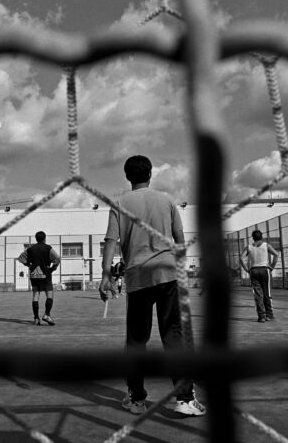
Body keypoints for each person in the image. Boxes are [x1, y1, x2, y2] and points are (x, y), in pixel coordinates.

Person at [100, 155, 206, 417]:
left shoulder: (120, 203)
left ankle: (136, 399)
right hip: (169, 274)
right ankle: (185, 399)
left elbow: (111, 241)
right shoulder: (167, 200)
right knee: (175, 336)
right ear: (151, 174)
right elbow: (179, 238)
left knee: (137, 340)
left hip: (138, 277)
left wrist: (106, 275)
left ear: (127, 176)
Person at [17, 231, 61, 326]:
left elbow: (20, 259)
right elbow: (57, 258)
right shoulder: (48, 248)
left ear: (36, 239)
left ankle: (36, 318)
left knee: (35, 295)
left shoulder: (30, 249)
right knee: (49, 294)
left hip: (34, 275)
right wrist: (53, 268)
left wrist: (29, 265)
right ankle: (47, 315)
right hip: (45, 274)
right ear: (44, 238)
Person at [240, 229, 279, 323]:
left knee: (258, 294)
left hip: (254, 270)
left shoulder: (248, 247)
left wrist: (246, 269)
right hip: (264, 269)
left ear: (253, 238)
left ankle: (261, 316)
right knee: (267, 293)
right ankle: (269, 315)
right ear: (261, 236)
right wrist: (272, 267)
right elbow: (276, 254)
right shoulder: (266, 245)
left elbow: (241, 258)